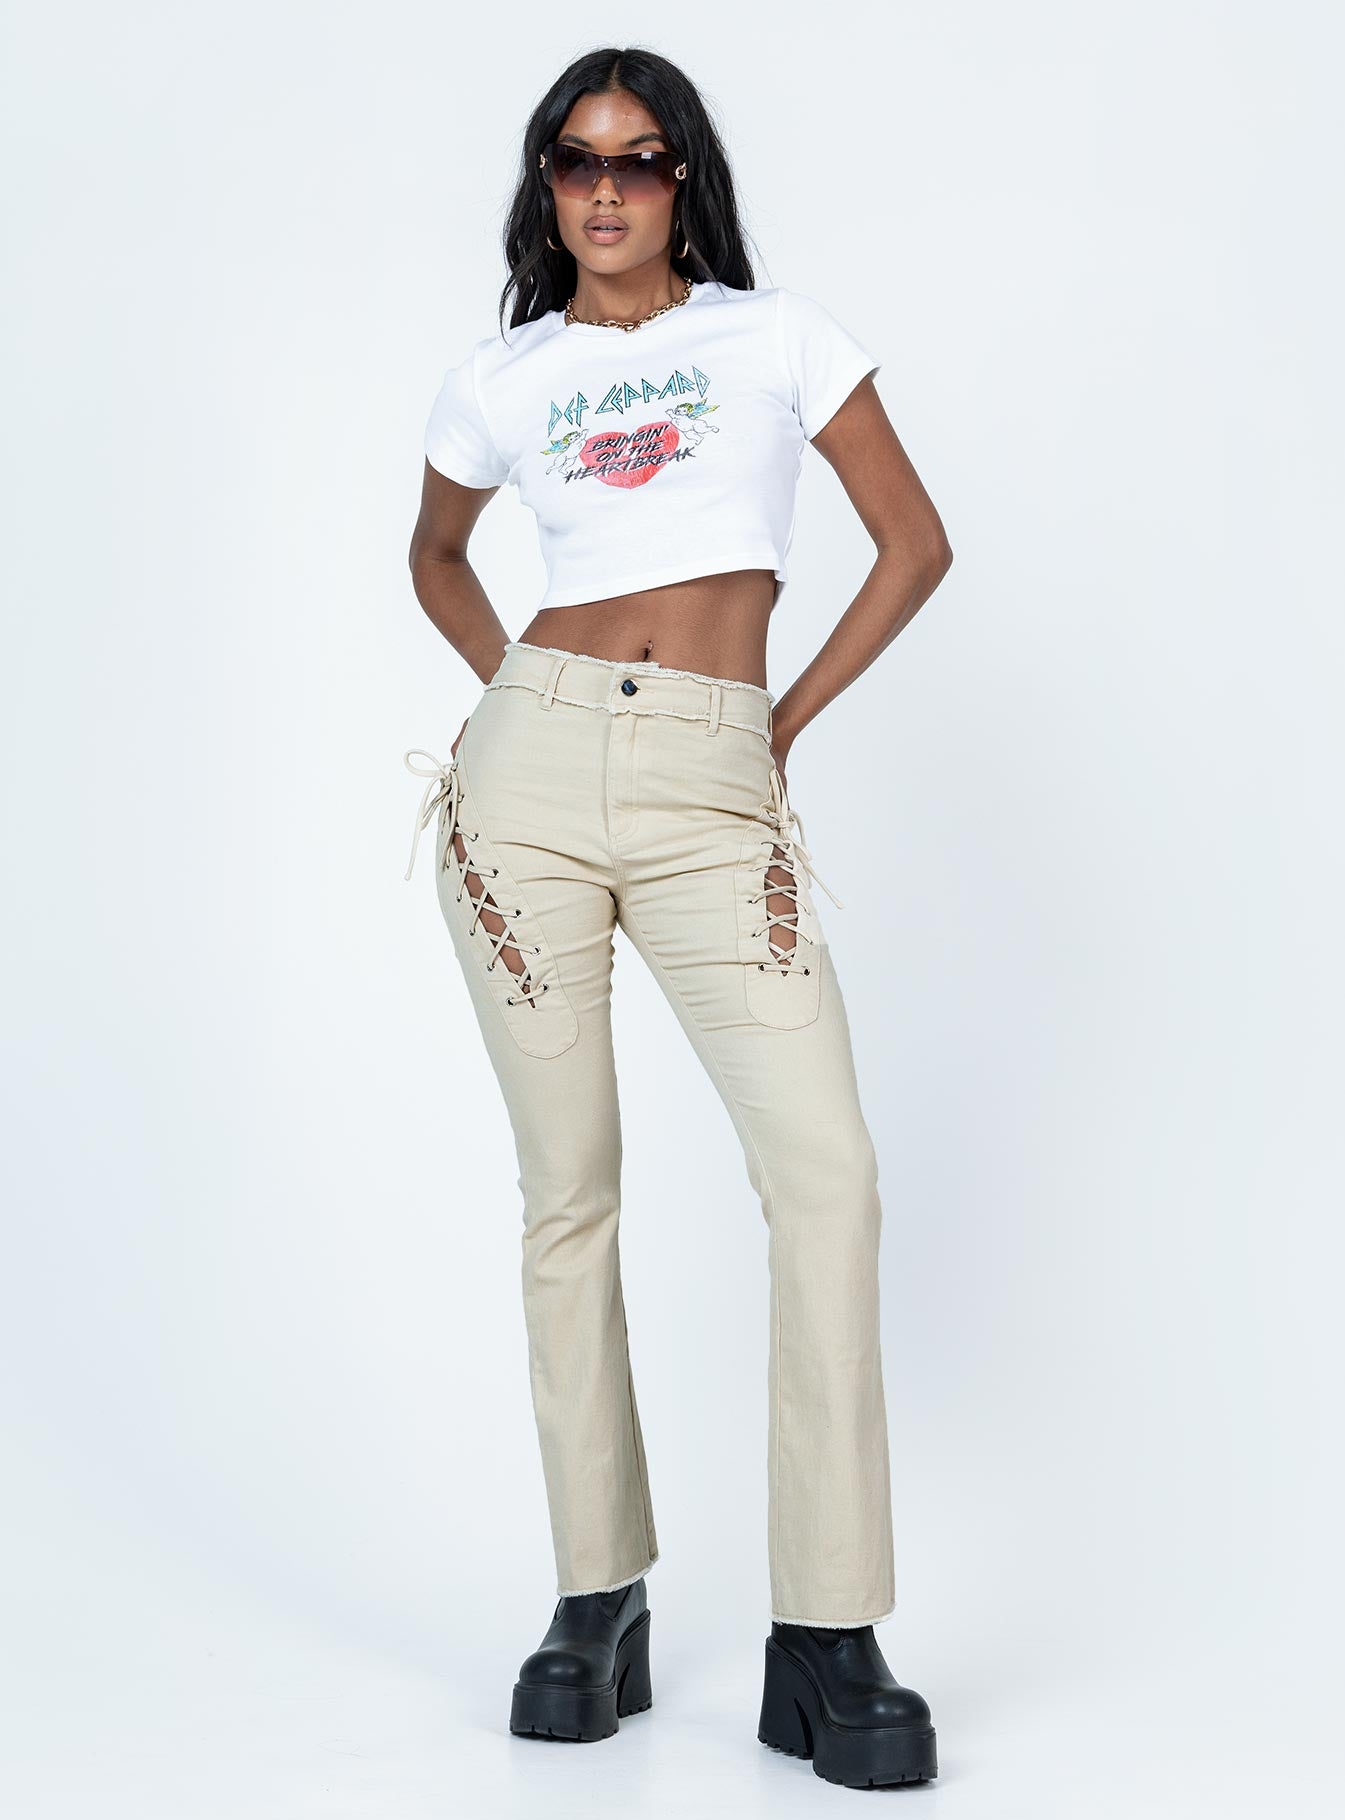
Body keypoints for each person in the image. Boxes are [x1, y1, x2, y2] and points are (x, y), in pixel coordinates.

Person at [402, 46, 952, 1791]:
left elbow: (913, 544)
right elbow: (432, 554)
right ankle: (597, 1595)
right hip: (525, 791)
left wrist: (776, 725)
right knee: (568, 1191)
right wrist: (517, 698)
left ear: (682, 180)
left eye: (638, 160)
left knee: (826, 1177)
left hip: (718, 776)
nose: (606, 188)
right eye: (576, 162)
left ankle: (827, 1632)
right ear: (545, 188)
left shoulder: (776, 338)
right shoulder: (500, 377)